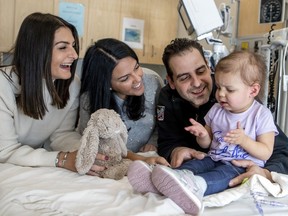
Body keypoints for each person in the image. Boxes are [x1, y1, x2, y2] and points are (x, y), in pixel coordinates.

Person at [127, 39, 288, 213]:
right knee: (189, 169)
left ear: (209, 67)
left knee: (220, 176)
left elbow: (281, 150)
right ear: (171, 82)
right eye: (184, 77)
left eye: (200, 71)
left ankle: (196, 186)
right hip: (209, 159)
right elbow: (167, 141)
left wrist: (265, 173)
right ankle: (158, 182)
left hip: (235, 165)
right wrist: (176, 150)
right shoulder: (168, 98)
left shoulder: (238, 95)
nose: (197, 83)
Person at [0, 12, 104, 175]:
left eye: (73, 45)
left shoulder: (72, 84)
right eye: (63, 47)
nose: (75, 55)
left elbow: (61, 135)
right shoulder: (3, 84)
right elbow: (5, 151)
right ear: (36, 51)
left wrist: (87, 153)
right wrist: (61, 159)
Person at [78, 38, 169, 166]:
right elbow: (92, 143)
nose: (137, 79)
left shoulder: (153, 82)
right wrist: (138, 159)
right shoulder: (89, 99)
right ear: (106, 84)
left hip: (150, 156)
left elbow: (163, 121)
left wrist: (153, 143)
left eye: (137, 67)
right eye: (125, 78)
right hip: (116, 162)